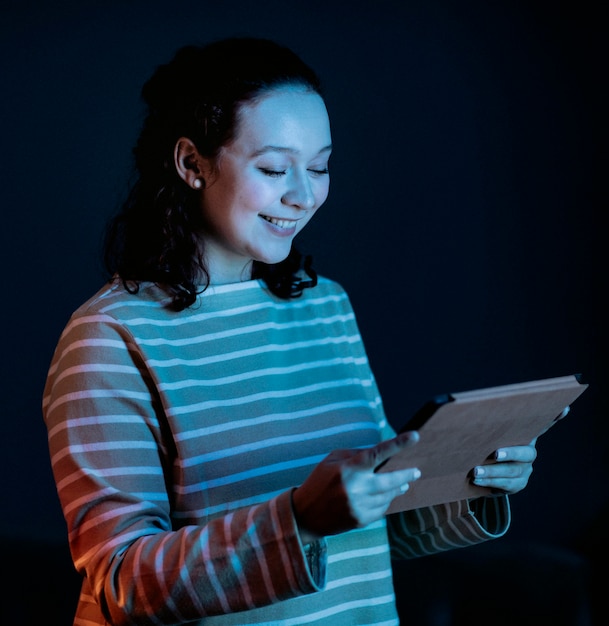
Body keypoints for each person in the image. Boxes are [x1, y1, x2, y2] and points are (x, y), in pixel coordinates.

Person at [43, 37, 543, 626]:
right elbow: (120, 584)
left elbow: (364, 538)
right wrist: (297, 518)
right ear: (191, 164)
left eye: (321, 166)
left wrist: (469, 480)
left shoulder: (325, 307)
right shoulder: (108, 338)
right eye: (275, 168)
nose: (303, 196)